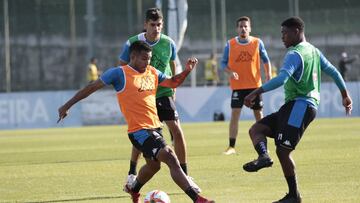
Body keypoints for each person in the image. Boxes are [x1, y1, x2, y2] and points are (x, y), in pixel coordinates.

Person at [57, 41, 214, 203]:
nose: (148, 63)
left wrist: (187, 71)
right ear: (132, 56)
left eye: (149, 59)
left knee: (154, 167)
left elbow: (173, 82)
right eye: (144, 59)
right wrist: (66, 106)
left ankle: (134, 189)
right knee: (170, 156)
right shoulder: (119, 74)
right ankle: (197, 199)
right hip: (139, 131)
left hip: (155, 128)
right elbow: (91, 87)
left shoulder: (152, 72)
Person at [242, 17, 352, 203]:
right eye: (281, 33)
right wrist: (344, 94)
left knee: (283, 150)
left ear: (297, 31)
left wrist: (256, 91)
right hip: (292, 106)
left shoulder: (295, 54)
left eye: (285, 33)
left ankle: (294, 196)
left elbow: (282, 78)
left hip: (301, 107)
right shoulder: (314, 51)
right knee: (256, 130)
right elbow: (333, 71)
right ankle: (263, 157)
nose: (282, 37)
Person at [118, 7, 199, 192]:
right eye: (153, 25)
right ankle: (132, 172)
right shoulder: (132, 43)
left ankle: (186, 174)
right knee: (142, 136)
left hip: (163, 93)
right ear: (145, 25)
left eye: (159, 25)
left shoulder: (168, 42)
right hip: (142, 96)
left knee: (177, 130)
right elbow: (123, 68)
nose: (156, 28)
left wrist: (173, 89)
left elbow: (172, 65)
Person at [220, 16, 272, 155]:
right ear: (237, 29)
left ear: (250, 28)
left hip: (254, 86)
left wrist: (268, 74)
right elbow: (223, 64)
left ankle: (264, 146)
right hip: (238, 87)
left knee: (259, 115)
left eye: (245, 26)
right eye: (241, 26)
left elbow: (266, 59)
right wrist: (230, 73)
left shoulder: (257, 42)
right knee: (235, 115)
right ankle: (231, 147)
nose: (243, 28)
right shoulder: (230, 44)